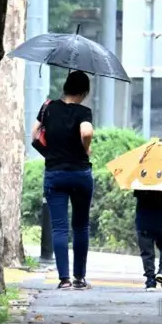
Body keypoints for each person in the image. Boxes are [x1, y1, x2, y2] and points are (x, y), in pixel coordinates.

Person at [32, 71, 94, 290]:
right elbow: (86, 132)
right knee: (81, 226)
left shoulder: (48, 107)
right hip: (80, 174)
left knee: (59, 228)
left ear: (66, 86)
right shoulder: (83, 111)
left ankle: (64, 279)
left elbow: (34, 134)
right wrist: (86, 149)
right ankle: (80, 278)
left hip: (55, 174)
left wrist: (51, 154)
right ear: (84, 92)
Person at [134, 189, 162, 291]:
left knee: (147, 252)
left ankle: (150, 281)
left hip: (143, 221)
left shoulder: (139, 180)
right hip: (161, 219)